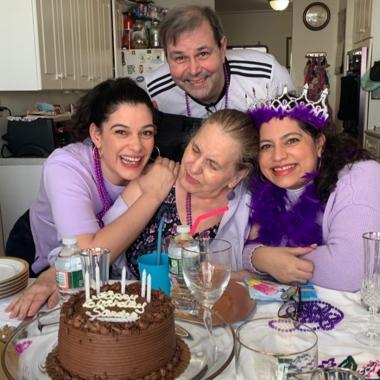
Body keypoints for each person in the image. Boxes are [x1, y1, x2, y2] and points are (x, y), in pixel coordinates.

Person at [6, 77, 179, 319]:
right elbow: (85, 256)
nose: (137, 147)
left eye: (146, 133)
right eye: (121, 132)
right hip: (42, 252)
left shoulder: (152, 170)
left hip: (97, 269)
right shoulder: (66, 165)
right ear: (96, 135)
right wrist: (151, 195)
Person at [243, 86, 380, 292]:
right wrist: (259, 256)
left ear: (319, 144)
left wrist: (269, 261)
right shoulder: (261, 189)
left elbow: (349, 271)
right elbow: (238, 250)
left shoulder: (362, 176)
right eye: (266, 146)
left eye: (292, 140)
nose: (278, 156)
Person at [102, 109, 257, 279]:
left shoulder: (251, 208)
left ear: (238, 175)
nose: (194, 167)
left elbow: (262, 276)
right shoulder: (154, 177)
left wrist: (213, 275)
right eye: (195, 150)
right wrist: (151, 197)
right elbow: (98, 254)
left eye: (212, 165)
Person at [145, 5, 294, 119]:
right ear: (166, 57)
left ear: (222, 49)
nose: (193, 70)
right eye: (180, 58)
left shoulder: (267, 75)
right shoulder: (152, 92)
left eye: (203, 53)